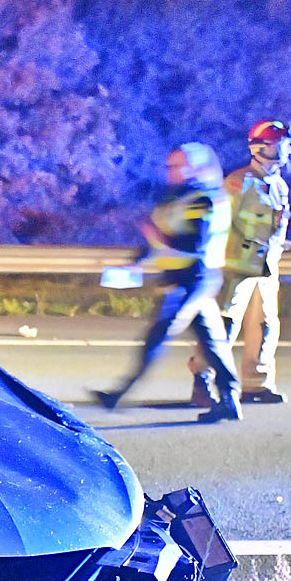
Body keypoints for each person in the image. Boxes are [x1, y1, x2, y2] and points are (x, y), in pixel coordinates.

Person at [93, 143, 242, 422]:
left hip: (193, 279)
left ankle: (118, 393)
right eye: (169, 165)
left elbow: (194, 244)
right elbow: (161, 238)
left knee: (157, 336)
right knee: (213, 343)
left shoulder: (202, 199)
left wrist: (158, 241)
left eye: (177, 165)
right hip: (187, 279)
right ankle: (230, 401)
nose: (170, 171)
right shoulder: (176, 198)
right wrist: (137, 262)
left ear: (194, 167)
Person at [190, 119, 291, 405]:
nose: (286, 150)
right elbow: (218, 223)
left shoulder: (279, 186)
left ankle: (256, 383)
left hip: (265, 265)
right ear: (264, 148)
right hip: (236, 265)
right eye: (281, 145)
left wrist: (277, 244)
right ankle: (204, 380)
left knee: (264, 323)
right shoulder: (238, 183)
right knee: (224, 324)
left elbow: (276, 223)